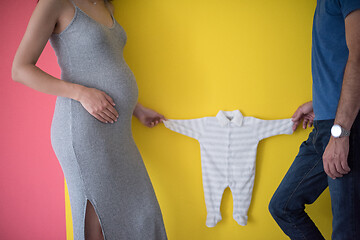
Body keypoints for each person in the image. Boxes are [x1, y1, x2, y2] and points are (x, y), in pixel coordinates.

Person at [11, 0, 168, 239]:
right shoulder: (55, 3)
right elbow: (20, 69)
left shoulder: (107, 5)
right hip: (84, 130)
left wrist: (136, 109)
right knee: (99, 222)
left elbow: (103, 64)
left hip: (118, 132)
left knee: (144, 213)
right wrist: (80, 93)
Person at [268, 1, 360, 239]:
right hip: (326, 124)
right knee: (283, 207)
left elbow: (359, 57)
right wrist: (318, 102)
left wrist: (341, 133)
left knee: (346, 232)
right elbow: (337, 60)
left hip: (346, 127)